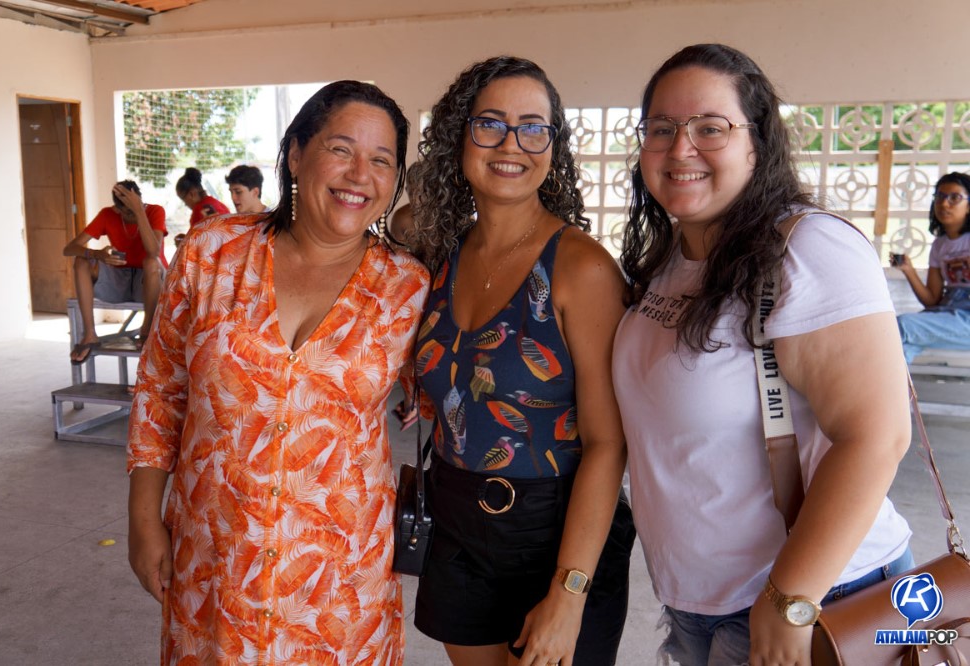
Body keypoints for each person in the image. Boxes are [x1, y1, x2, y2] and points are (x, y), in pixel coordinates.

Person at [613, 43, 913, 665]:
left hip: (814, 600)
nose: (680, 148)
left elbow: (876, 437)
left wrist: (790, 598)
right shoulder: (670, 260)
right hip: (697, 604)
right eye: (661, 128)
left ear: (758, 141)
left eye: (710, 128)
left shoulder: (807, 248)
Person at [126, 81, 430, 665]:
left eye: (381, 161)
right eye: (341, 149)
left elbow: (450, 394)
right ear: (295, 154)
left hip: (340, 582)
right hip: (216, 559)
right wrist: (143, 520)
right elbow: (161, 391)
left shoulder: (408, 285)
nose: (359, 174)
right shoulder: (212, 252)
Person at [406, 55, 634, 666]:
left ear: (553, 146)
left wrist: (570, 591)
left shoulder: (581, 268)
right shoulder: (444, 254)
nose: (512, 144)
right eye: (490, 124)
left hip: (554, 530)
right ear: (458, 136)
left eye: (534, 127)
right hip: (456, 517)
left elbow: (609, 443)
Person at [62, 180, 167, 362]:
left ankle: (146, 330)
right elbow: (69, 249)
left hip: (151, 280)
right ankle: (90, 334)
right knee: (81, 261)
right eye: (128, 211)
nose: (133, 214)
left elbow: (154, 252)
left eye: (137, 205)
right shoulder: (107, 214)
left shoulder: (155, 211)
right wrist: (97, 254)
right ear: (117, 209)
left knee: (151, 262)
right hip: (120, 279)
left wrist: (139, 211)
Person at [895, 171, 970, 363]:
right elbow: (932, 301)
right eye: (940, 196)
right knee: (900, 347)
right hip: (946, 314)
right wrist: (908, 270)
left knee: (901, 326)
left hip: (965, 320)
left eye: (955, 197)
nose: (944, 204)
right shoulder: (939, 245)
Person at [173, 166, 230, 245]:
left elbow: (197, 246)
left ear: (191, 194)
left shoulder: (200, 211)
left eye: (184, 199)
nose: (185, 204)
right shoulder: (219, 204)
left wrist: (183, 244)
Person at [387, 159, 426, 246]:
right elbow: (395, 253)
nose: (416, 201)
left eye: (422, 193)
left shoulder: (447, 217)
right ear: (407, 190)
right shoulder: (402, 218)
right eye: (411, 193)